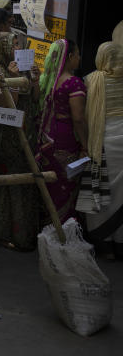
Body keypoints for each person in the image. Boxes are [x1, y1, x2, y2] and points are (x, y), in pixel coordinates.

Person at [0, 32, 41, 251]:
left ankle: (26, 233)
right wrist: (11, 78)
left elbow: (35, 98)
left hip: (27, 130)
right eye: (13, 44)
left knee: (25, 183)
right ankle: (9, 234)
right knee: (10, 183)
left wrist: (34, 80)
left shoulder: (23, 66)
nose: (18, 47)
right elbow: (8, 105)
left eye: (19, 43)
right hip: (8, 133)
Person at [78, 42, 123, 258]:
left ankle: (104, 245)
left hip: (102, 142)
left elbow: (83, 116)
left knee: (101, 192)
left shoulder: (92, 80)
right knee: (121, 195)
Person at [38, 39, 88, 224]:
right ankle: (64, 232)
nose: (80, 58)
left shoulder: (50, 81)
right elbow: (78, 118)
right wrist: (85, 144)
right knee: (66, 184)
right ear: (69, 57)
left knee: (52, 185)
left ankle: (49, 227)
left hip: (47, 137)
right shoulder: (74, 83)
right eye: (77, 54)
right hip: (65, 137)